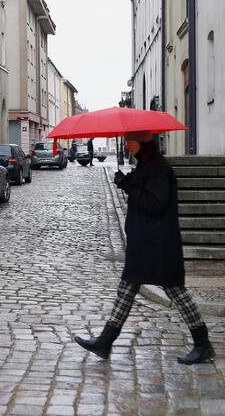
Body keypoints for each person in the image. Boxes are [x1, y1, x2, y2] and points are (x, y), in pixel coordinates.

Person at [74, 130, 215, 365]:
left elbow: (155, 203)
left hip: (158, 244)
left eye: (130, 142)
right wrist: (127, 181)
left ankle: (203, 344)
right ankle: (105, 342)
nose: (128, 146)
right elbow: (145, 192)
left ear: (141, 143)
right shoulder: (147, 165)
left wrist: (129, 187)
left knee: (176, 291)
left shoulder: (158, 168)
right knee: (127, 290)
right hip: (146, 243)